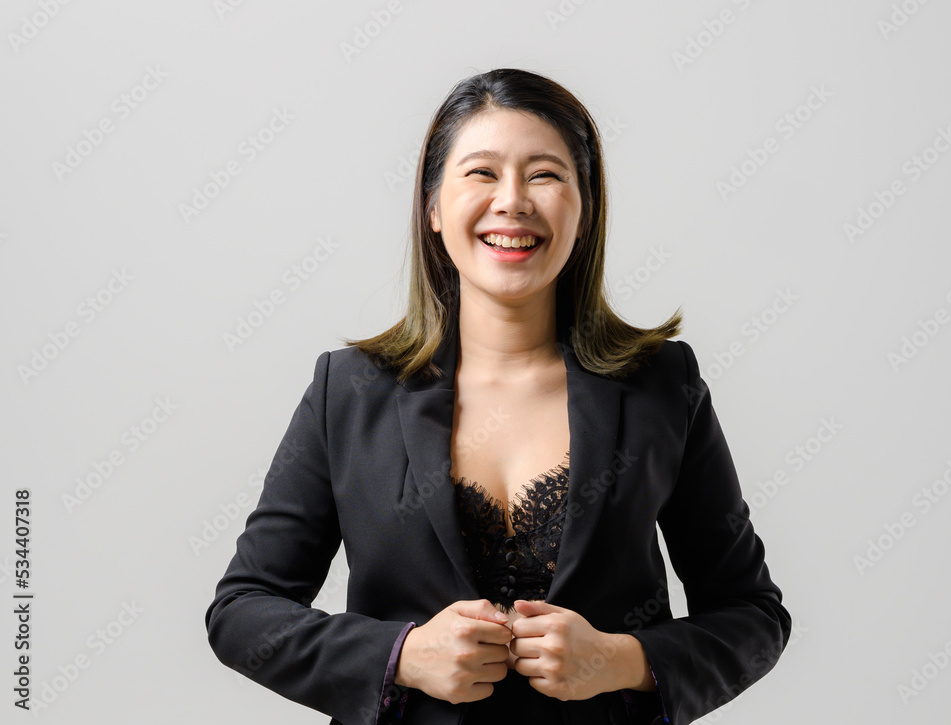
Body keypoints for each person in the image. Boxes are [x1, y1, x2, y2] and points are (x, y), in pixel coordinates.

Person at [205, 67, 792, 725]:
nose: (512, 201)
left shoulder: (663, 385)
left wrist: (621, 659)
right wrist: (401, 655)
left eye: (544, 175)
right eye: (482, 173)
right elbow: (242, 611)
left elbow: (752, 615)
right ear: (433, 207)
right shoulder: (346, 392)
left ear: (584, 208)